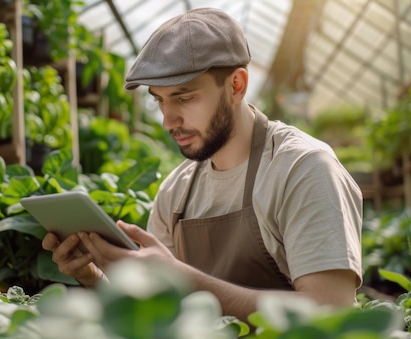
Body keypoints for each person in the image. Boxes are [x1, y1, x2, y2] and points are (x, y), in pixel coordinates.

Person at [42, 7, 362, 320]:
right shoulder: (176, 192)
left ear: (236, 86)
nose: (168, 121)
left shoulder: (302, 169)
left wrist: (184, 281)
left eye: (184, 98)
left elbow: (330, 312)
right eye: (159, 100)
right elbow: (160, 316)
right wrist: (94, 278)